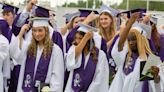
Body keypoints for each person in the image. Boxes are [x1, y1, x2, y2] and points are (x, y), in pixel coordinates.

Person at [109, 12, 162, 92]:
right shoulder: (125, 56)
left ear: (142, 40)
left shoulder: (150, 60)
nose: (130, 42)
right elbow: (119, 46)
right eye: (129, 39)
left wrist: (156, 76)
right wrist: (130, 23)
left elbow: (156, 87)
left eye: (134, 39)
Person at [10, 17, 64, 92]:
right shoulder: (28, 48)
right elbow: (15, 55)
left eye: (40, 30)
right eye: (34, 31)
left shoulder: (55, 50)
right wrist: (21, 33)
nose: (37, 34)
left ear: (46, 31)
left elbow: (57, 77)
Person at [65, 23, 109, 92]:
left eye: (80, 38)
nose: (77, 41)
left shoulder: (100, 55)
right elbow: (70, 63)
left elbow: (99, 77)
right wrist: (85, 38)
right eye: (76, 38)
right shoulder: (74, 49)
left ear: (89, 40)